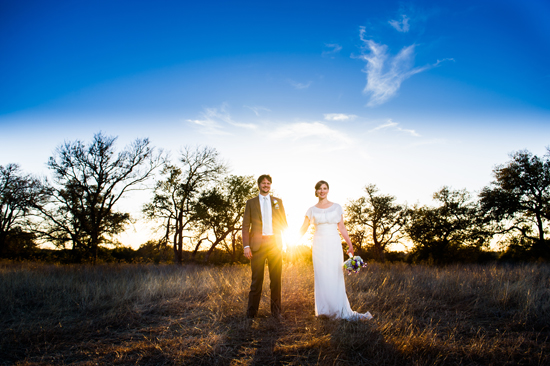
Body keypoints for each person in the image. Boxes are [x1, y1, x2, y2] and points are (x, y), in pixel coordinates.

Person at [299, 180, 373, 320]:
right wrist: (290, 241)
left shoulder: (337, 207)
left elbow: (342, 227)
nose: (322, 191)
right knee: (322, 276)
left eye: (325, 188)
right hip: (319, 245)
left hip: (334, 243)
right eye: (319, 189)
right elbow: (304, 228)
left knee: (335, 274)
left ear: (328, 190)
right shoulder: (311, 210)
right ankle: (324, 311)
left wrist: (349, 243)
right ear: (316, 191)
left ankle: (339, 308)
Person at [243, 174, 288, 319]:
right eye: (263, 183)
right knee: (257, 280)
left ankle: (276, 313)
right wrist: (246, 246)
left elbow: (284, 223)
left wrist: (286, 242)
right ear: (259, 185)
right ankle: (251, 314)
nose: (266, 185)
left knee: (276, 280)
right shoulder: (251, 203)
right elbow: (245, 226)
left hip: (275, 244)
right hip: (257, 245)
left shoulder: (277, 202)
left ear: (271, 185)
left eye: (268, 183)